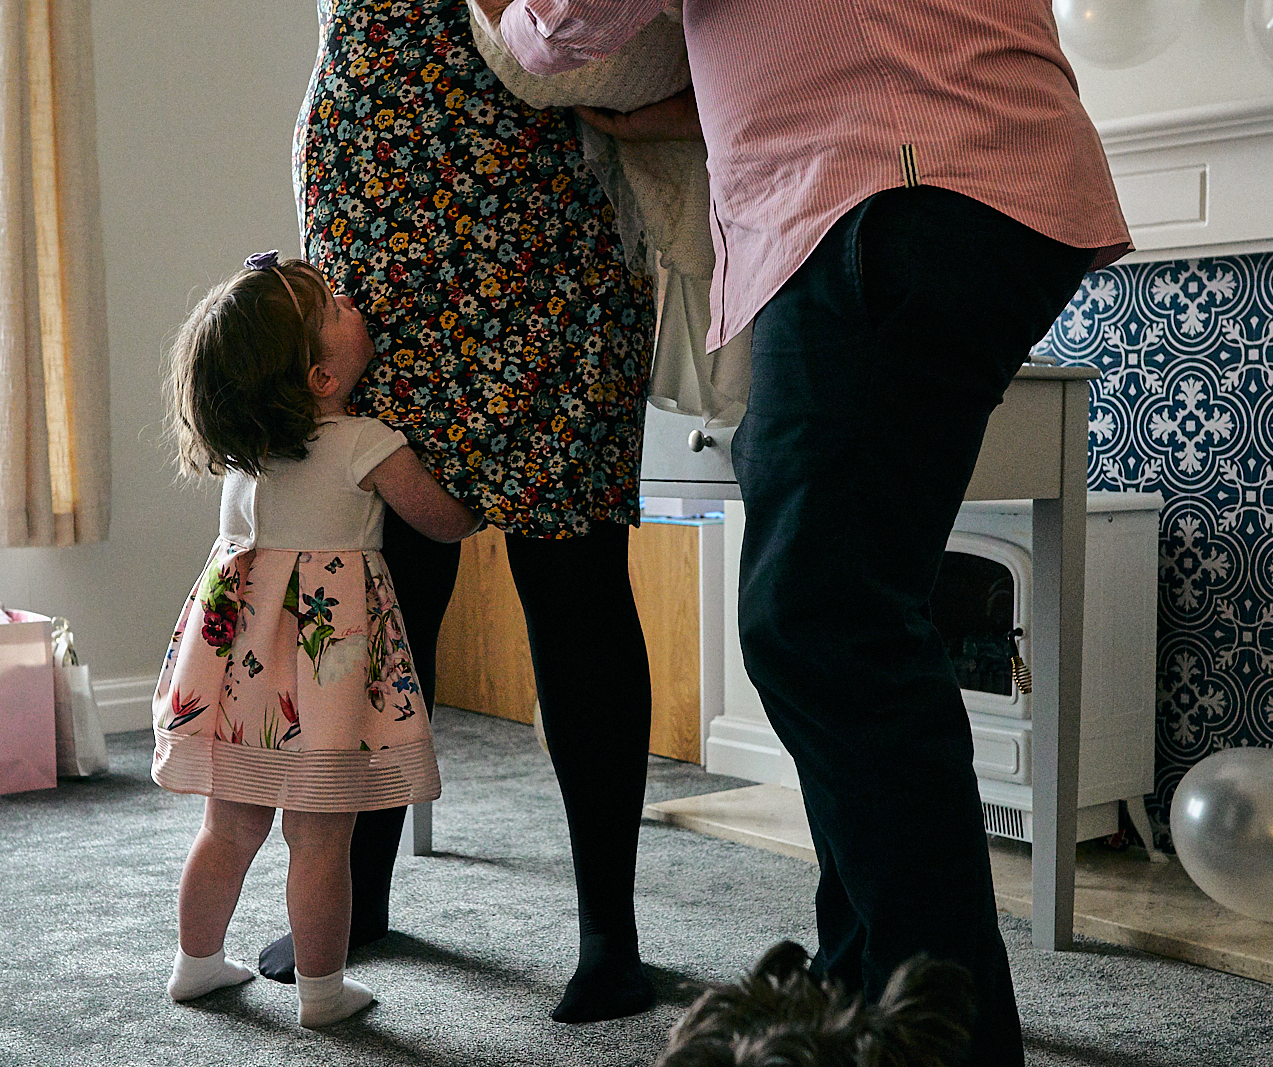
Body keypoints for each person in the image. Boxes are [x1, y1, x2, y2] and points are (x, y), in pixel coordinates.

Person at [477, 1, 1131, 1064]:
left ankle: (944, 1036)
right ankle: (863, 1001)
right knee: (852, 618)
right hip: (954, 171)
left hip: (892, 179)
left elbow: (558, 24)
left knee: (814, 621)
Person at [256, 0, 662, 1025]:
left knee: (574, 589)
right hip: (375, 287)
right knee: (380, 601)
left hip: (540, 256)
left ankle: (610, 934)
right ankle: (362, 891)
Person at [152, 252, 479, 1028]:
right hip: (324, 674)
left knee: (226, 827)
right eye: (335, 305)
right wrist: (484, 498)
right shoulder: (364, 442)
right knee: (320, 839)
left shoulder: (244, 457)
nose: (351, 300)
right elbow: (443, 519)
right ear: (322, 380)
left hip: (236, 672)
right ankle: (323, 993)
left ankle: (195, 964)